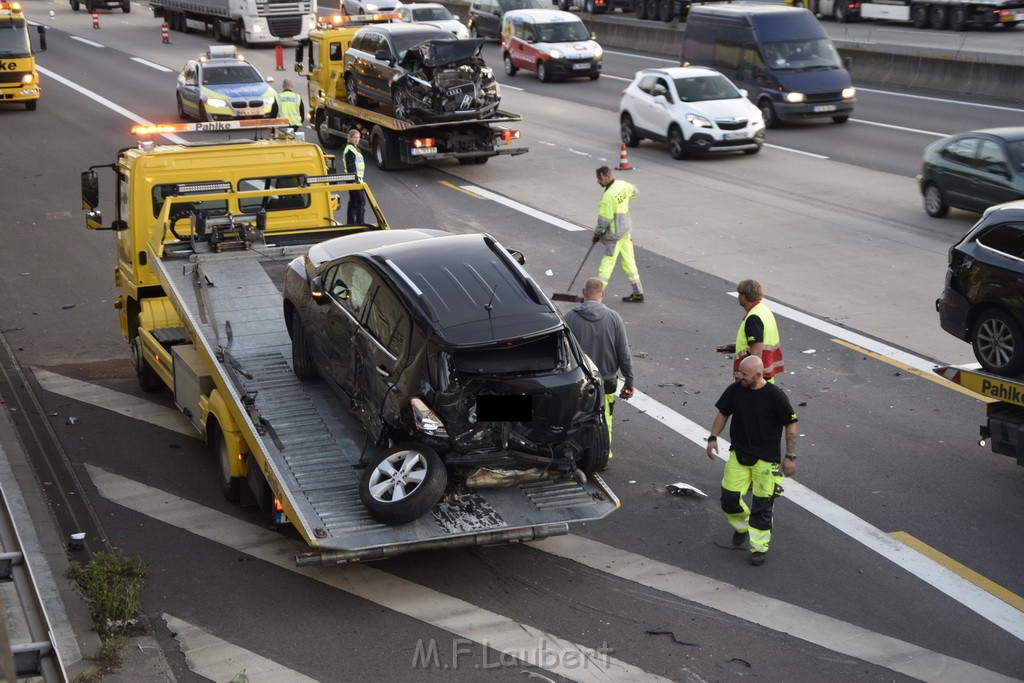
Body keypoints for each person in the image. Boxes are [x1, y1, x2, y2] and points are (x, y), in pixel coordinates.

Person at [706, 356, 798, 567]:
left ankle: (758, 548)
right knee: (728, 498)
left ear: (759, 374)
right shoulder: (735, 390)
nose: (740, 377)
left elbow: (791, 425)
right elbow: (722, 413)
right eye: (739, 373)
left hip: (766, 462)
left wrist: (790, 456)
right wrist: (712, 437)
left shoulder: (775, 397)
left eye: (744, 374)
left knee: (762, 506)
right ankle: (742, 526)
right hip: (739, 455)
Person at [564, 278, 634, 463]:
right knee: (605, 419)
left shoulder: (570, 317)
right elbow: (624, 353)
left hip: (580, 380)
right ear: (602, 294)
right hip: (607, 380)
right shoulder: (614, 318)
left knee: (577, 417)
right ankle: (603, 455)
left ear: (583, 292)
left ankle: (576, 454)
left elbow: (564, 350)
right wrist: (629, 381)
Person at [593, 166, 644, 303]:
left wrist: (597, 234)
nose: (598, 181)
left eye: (600, 178)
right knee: (630, 263)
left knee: (606, 266)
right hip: (626, 232)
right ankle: (638, 293)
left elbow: (604, 221)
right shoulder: (622, 184)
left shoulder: (608, 197)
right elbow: (635, 192)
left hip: (614, 237)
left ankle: (595, 296)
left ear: (607, 177)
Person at [731, 279, 784, 384]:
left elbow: (756, 353)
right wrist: (736, 346)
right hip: (766, 377)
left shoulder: (753, 318)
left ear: (743, 296)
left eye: (739, 294)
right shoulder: (764, 310)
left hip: (754, 381)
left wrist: (751, 384)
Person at [344, 129, 366, 225]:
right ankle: (359, 223)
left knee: (353, 201)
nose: (357, 139)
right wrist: (355, 180)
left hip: (355, 179)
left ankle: (351, 222)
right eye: (355, 137)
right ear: (350, 138)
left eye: (358, 137)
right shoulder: (350, 149)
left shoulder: (355, 148)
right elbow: (351, 166)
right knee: (361, 201)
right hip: (354, 179)